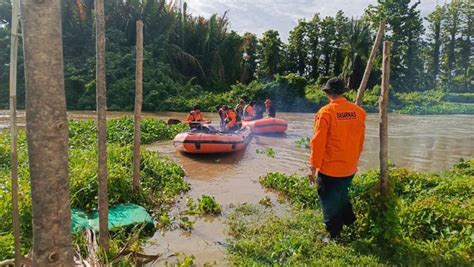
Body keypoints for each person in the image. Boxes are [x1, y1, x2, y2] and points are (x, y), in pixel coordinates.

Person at [308, 77, 366, 240]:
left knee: (328, 199)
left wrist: (313, 167)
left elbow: (318, 143)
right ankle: (349, 220)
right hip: (349, 167)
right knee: (341, 193)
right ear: (343, 92)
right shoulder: (359, 112)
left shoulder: (325, 112)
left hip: (330, 169)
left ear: (328, 93)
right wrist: (354, 160)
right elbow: (361, 140)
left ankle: (334, 234)